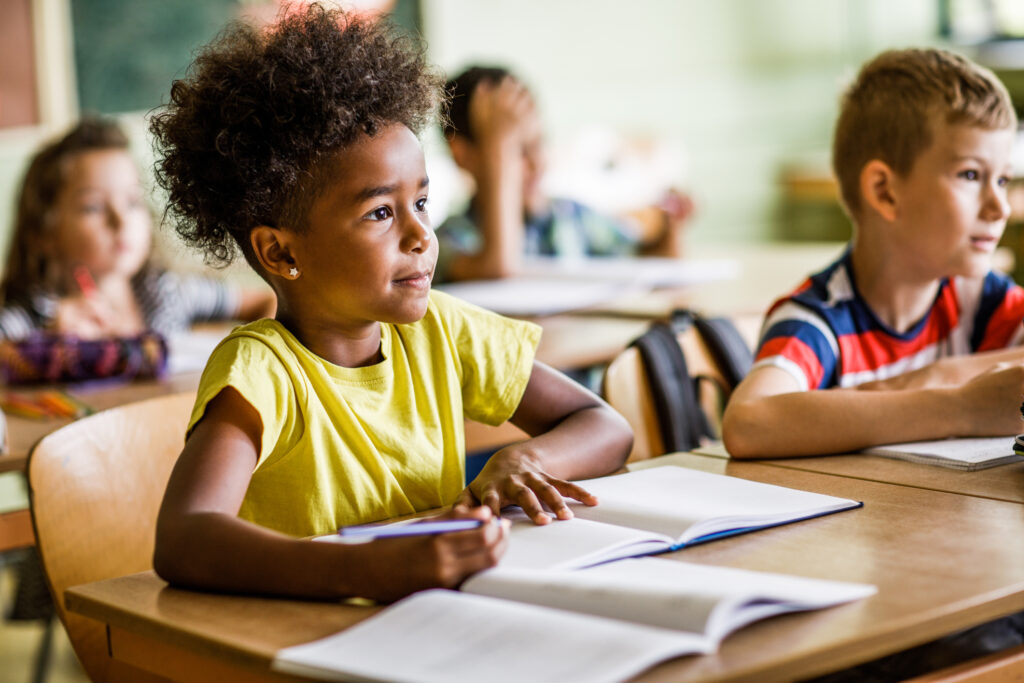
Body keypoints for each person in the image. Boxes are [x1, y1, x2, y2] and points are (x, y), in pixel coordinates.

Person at [148, 4, 633, 603]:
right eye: (381, 212)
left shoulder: (438, 329)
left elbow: (603, 425)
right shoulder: (263, 373)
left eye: (422, 204)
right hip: (315, 639)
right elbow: (184, 538)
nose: (420, 235)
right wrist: (364, 570)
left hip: (438, 622)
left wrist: (523, 458)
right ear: (278, 252)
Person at [723, 47, 1024, 460]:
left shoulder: (981, 301)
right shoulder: (820, 321)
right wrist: (960, 405)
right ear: (885, 191)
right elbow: (748, 423)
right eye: (970, 175)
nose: (1000, 207)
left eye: (1003, 180)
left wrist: (940, 376)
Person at [0, 117, 274, 342]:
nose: (121, 221)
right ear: (43, 232)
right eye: (93, 207)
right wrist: (44, 344)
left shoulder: (170, 293)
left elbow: (269, 302)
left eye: (132, 202)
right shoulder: (33, 319)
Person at [435, 65, 693, 282]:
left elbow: (652, 257)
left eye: (538, 143)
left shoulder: (571, 218)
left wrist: (671, 224)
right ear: (463, 155)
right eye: (516, 150)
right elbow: (498, 267)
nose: (536, 163)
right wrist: (499, 147)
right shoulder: (447, 240)